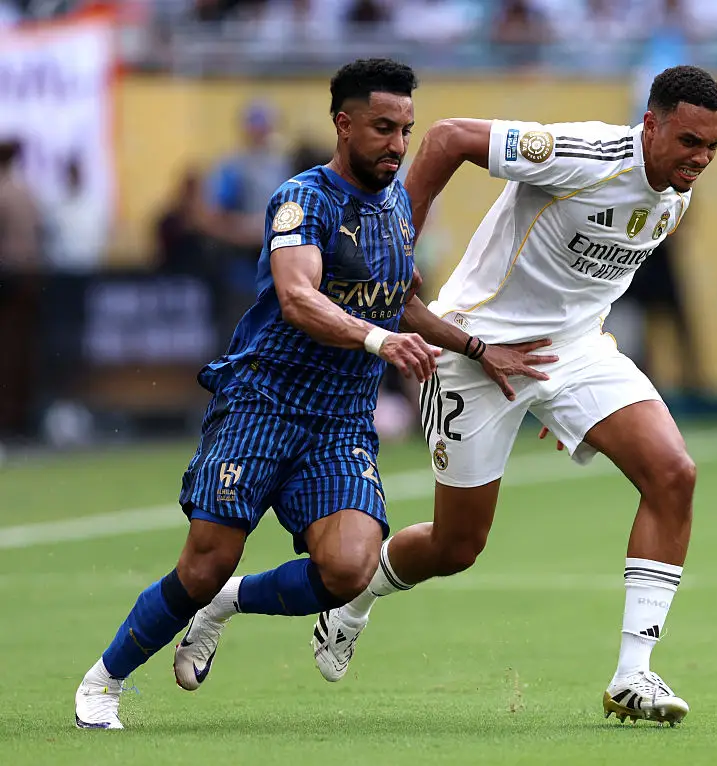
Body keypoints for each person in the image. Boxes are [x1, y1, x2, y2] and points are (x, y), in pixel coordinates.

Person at [73, 57, 553, 730]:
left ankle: (228, 604)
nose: (397, 145)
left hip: (340, 420)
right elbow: (298, 298)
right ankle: (104, 681)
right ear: (343, 124)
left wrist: (476, 348)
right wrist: (379, 341)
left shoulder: (396, 208)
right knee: (204, 563)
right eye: (383, 128)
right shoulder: (302, 200)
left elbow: (397, 300)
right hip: (263, 403)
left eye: (406, 130)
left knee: (351, 568)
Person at [312, 64, 717, 725]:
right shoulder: (581, 154)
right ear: (650, 126)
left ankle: (633, 675)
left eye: (712, 147)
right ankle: (353, 601)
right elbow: (447, 138)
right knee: (457, 547)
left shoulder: (675, 196)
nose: (700, 159)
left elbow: (588, 286)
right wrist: (397, 246)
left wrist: (567, 402)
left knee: (674, 473)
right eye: (689, 142)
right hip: (475, 349)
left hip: (573, 353)